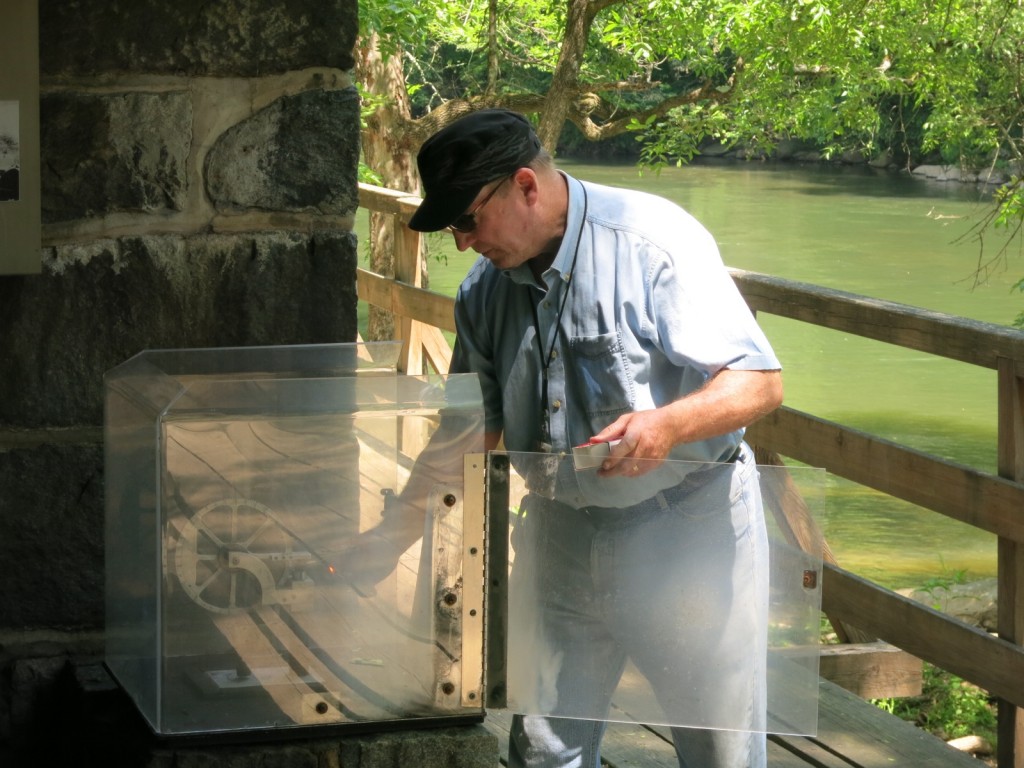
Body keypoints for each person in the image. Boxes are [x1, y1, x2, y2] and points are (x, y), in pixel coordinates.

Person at [400, 108, 783, 768]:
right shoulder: (483, 292)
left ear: (524, 186)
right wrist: (384, 534)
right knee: (543, 751)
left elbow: (760, 383)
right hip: (559, 534)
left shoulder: (652, 242)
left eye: (466, 219)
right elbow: (465, 434)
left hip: (687, 527)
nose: (462, 242)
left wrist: (666, 424)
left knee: (717, 752)